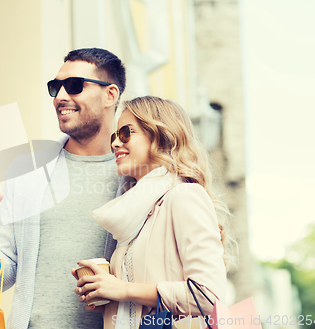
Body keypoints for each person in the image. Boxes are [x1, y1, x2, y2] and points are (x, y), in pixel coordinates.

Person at [0, 48, 126, 329]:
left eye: (74, 86)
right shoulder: (28, 172)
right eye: (55, 87)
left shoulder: (133, 179)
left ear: (110, 94)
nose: (60, 97)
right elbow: (3, 276)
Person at [74, 96, 236, 329]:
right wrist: (104, 292)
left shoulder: (183, 196)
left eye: (126, 133)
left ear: (159, 135)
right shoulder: (135, 212)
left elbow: (209, 296)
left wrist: (124, 290)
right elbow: (143, 300)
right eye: (114, 136)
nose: (116, 144)